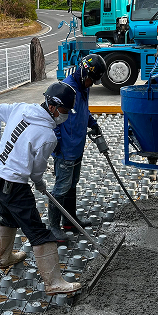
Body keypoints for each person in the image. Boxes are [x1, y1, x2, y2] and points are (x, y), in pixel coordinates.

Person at [0, 81, 81, 295]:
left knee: (7, 218)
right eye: (64, 110)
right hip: (13, 186)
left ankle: (5, 258)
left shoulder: (20, 108)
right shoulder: (47, 136)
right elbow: (36, 170)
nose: (66, 115)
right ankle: (53, 282)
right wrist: (39, 183)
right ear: (52, 107)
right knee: (39, 233)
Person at [48, 54, 108, 240]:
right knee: (61, 188)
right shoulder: (66, 89)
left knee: (72, 185)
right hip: (65, 149)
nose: (92, 84)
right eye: (92, 80)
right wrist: (57, 144)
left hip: (77, 147)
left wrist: (93, 124)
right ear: (84, 73)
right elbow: (53, 118)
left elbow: (84, 110)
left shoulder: (83, 87)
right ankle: (53, 227)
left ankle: (70, 220)